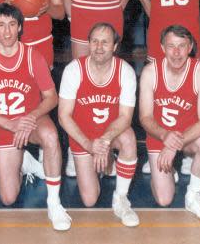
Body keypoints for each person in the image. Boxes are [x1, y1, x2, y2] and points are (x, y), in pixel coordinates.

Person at [0, 3, 71, 231]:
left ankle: (54, 203)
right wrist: (10, 123)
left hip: (31, 122)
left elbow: (51, 97)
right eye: (1, 25)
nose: (6, 32)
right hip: (3, 125)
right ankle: (24, 160)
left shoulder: (33, 57)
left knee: (50, 135)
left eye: (12, 25)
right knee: (8, 197)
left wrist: (30, 117)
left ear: (20, 28)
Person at [60, 0, 132, 177]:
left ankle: (109, 147)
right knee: (80, 85)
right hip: (82, 15)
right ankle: (74, 149)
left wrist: (113, 10)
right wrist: (72, 16)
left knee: (109, 85)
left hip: (110, 14)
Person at [58, 23, 139, 227]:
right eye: (94, 41)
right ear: (88, 44)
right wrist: (88, 144)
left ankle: (120, 198)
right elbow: (63, 116)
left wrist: (104, 141)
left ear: (115, 46)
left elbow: (125, 118)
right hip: (83, 136)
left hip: (110, 133)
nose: (99, 47)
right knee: (90, 199)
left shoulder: (125, 72)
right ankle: (94, 159)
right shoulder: (74, 70)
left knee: (129, 138)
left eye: (105, 42)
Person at [139, 25, 200, 222]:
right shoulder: (150, 72)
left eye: (182, 46)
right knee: (164, 200)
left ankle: (193, 196)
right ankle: (168, 169)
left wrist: (174, 144)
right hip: (160, 137)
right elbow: (145, 117)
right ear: (162, 48)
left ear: (190, 47)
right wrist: (165, 137)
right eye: (171, 46)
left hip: (189, 136)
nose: (176, 52)